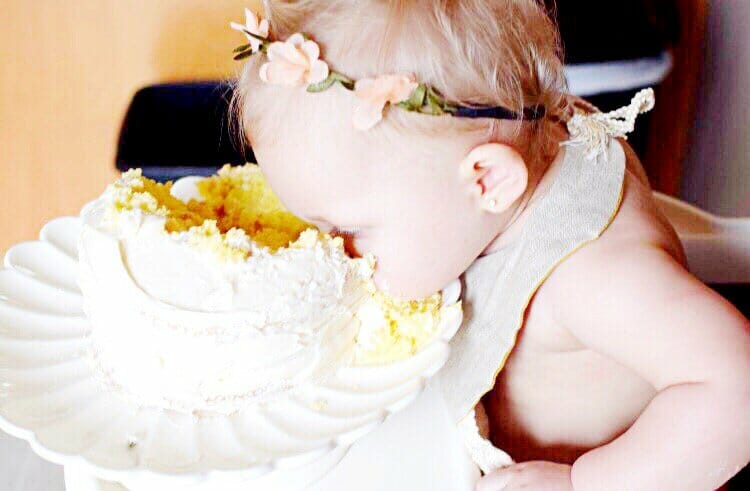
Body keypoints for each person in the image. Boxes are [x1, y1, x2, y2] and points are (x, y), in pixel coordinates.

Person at [230, 1, 750, 489]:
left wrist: (584, 482)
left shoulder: (591, 278)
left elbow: (738, 393)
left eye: (348, 232)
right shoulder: (519, 136)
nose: (332, 252)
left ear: (487, 182)